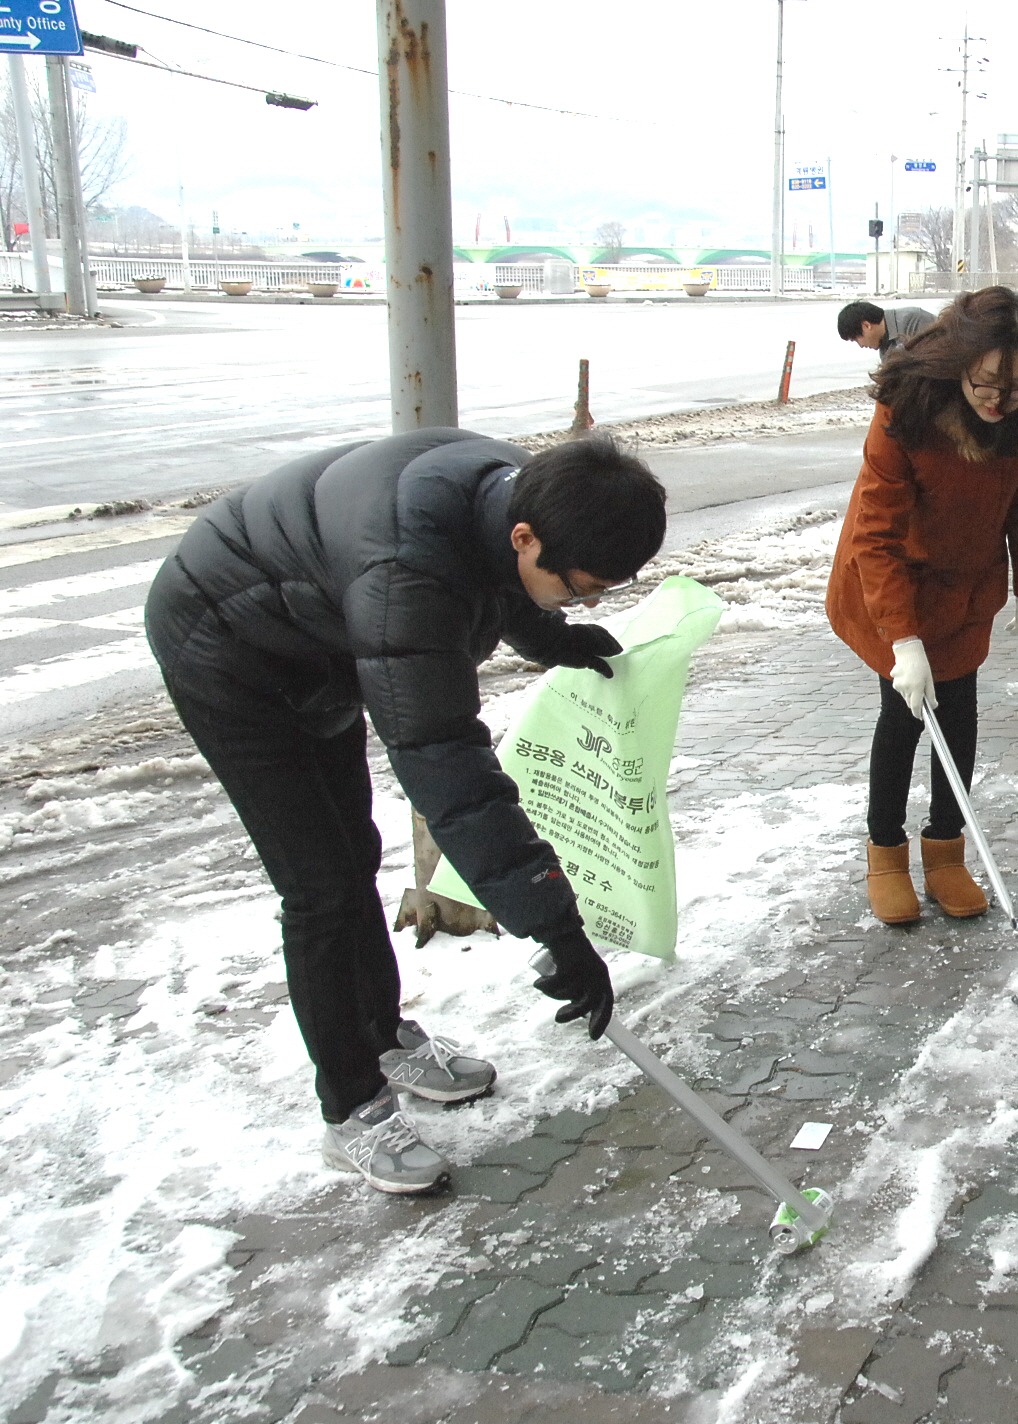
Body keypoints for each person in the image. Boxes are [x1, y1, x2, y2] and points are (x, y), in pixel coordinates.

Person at [145, 431, 667, 1193]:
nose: (586, 600)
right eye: (579, 587)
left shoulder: (515, 498)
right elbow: (447, 765)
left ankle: (382, 1035)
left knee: (352, 854)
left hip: (316, 634)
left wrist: (551, 636)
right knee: (321, 886)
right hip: (229, 651)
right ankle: (351, 1106)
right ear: (528, 537)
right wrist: (555, 924)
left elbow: (491, 576)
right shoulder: (405, 576)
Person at [825, 286, 1018, 924]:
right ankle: (886, 853)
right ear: (958, 363)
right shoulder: (905, 411)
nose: (1000, 401)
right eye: (988, 384)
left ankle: (946, 853)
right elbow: (875, 533)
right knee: (905, 716)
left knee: (957, 715)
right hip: (894, 582)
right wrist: (902, 640)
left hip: (967, 582)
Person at [838, 300, 935, 355]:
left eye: (856, 339)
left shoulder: (914, 320)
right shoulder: (885, 348)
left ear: (866, 326)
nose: (861, 345)